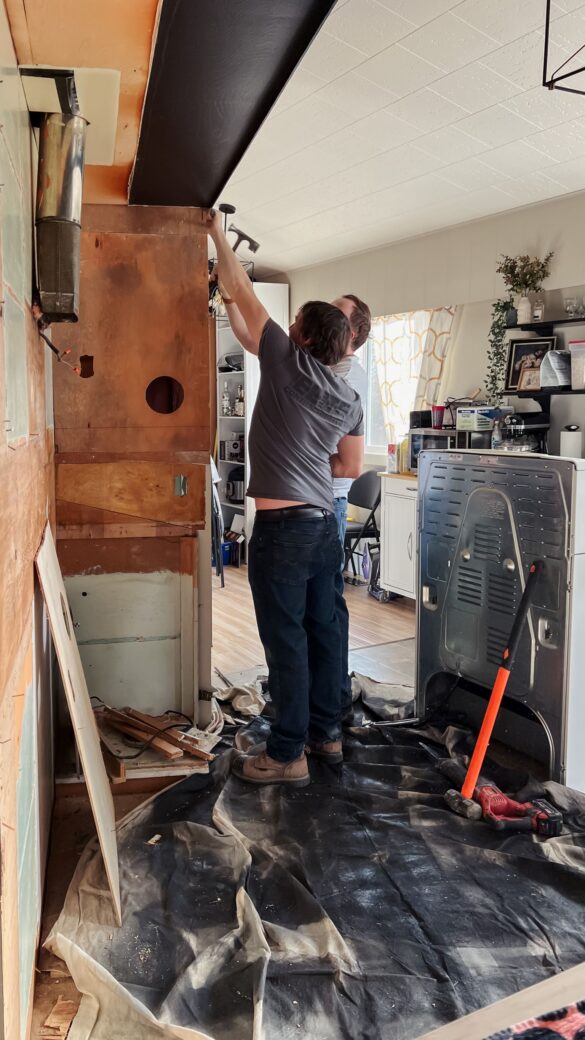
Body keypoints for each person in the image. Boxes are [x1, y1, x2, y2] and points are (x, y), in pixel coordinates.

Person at [207, 210, 364, 787]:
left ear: (298, 336)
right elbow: (249, 326)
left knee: (286, 641)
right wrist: (227, 299)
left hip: (284, 529)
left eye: (290, 324)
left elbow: (247, 297)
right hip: (325, 523)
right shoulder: (345, 396)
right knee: (322, 629)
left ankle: (287, 752)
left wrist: (215, 231)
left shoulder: (287, 366)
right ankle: (327, 735)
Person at [330, 295, 371, 725]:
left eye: (335, 313)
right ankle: (322, 698)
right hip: (312, 501)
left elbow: (348, 461)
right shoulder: (324, 367)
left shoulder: (349, 379)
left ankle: (336, 699)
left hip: (330, 502)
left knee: (327, 605)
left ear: (354, 333)